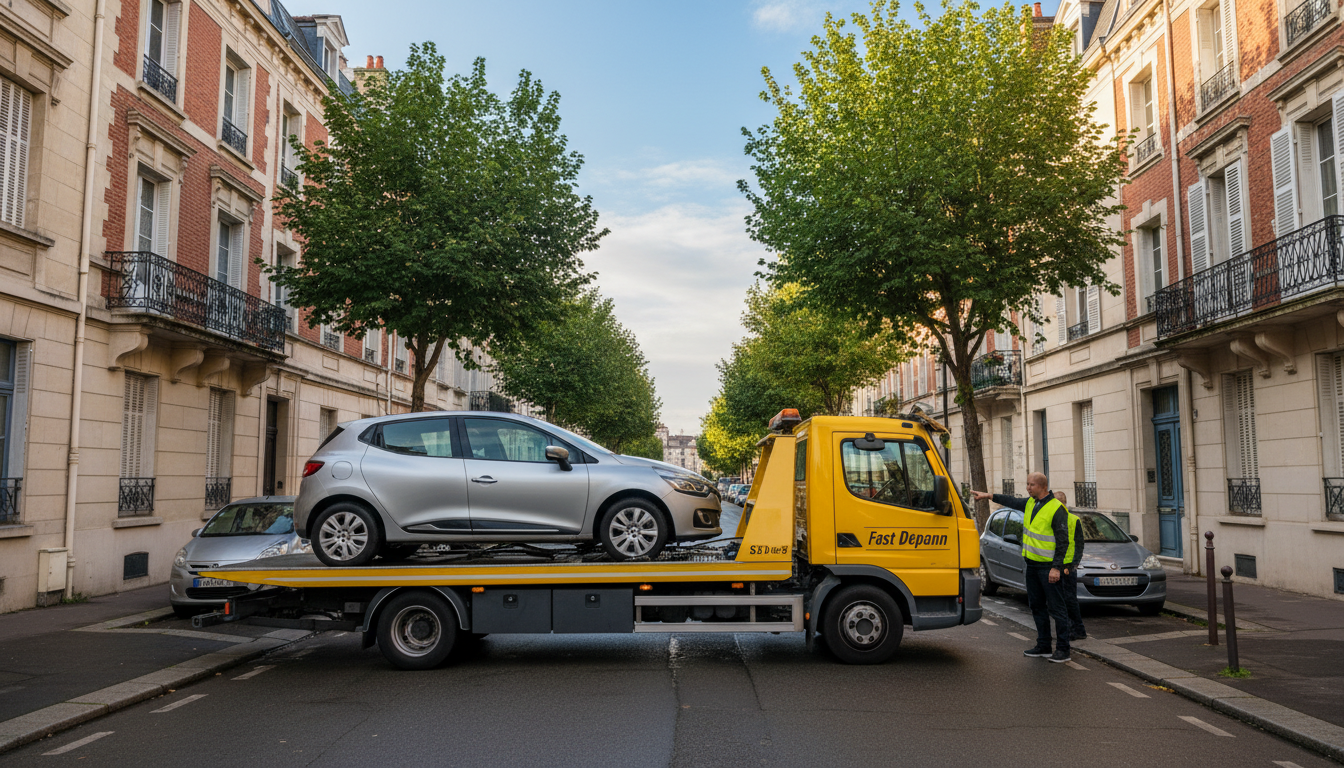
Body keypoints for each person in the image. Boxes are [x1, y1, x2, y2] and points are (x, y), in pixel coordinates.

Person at [972, 472, 1072, 662]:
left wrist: (1056, 568)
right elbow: (1011, 501)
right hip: (1031, 566)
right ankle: (1044, 645)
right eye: (1027, 484)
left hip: (1048, 567)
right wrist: (989, 496)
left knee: (1057, 609)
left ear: (1043, 486)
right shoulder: (1031, 503)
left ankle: (1063, 650)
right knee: (1037, 607)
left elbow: (1063, 541)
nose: (1028, 488)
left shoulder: (1056, 508)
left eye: (1031, 485)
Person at [1054, 491, 1086, 641]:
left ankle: (1075, 630)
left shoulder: (1072, 519)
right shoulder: (1065, 519)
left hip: (1066, 566)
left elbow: (1079, 543)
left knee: (1068, 600)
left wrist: (1074, 563)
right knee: (1065, 600)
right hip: (1060, 565)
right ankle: (1075, 630)